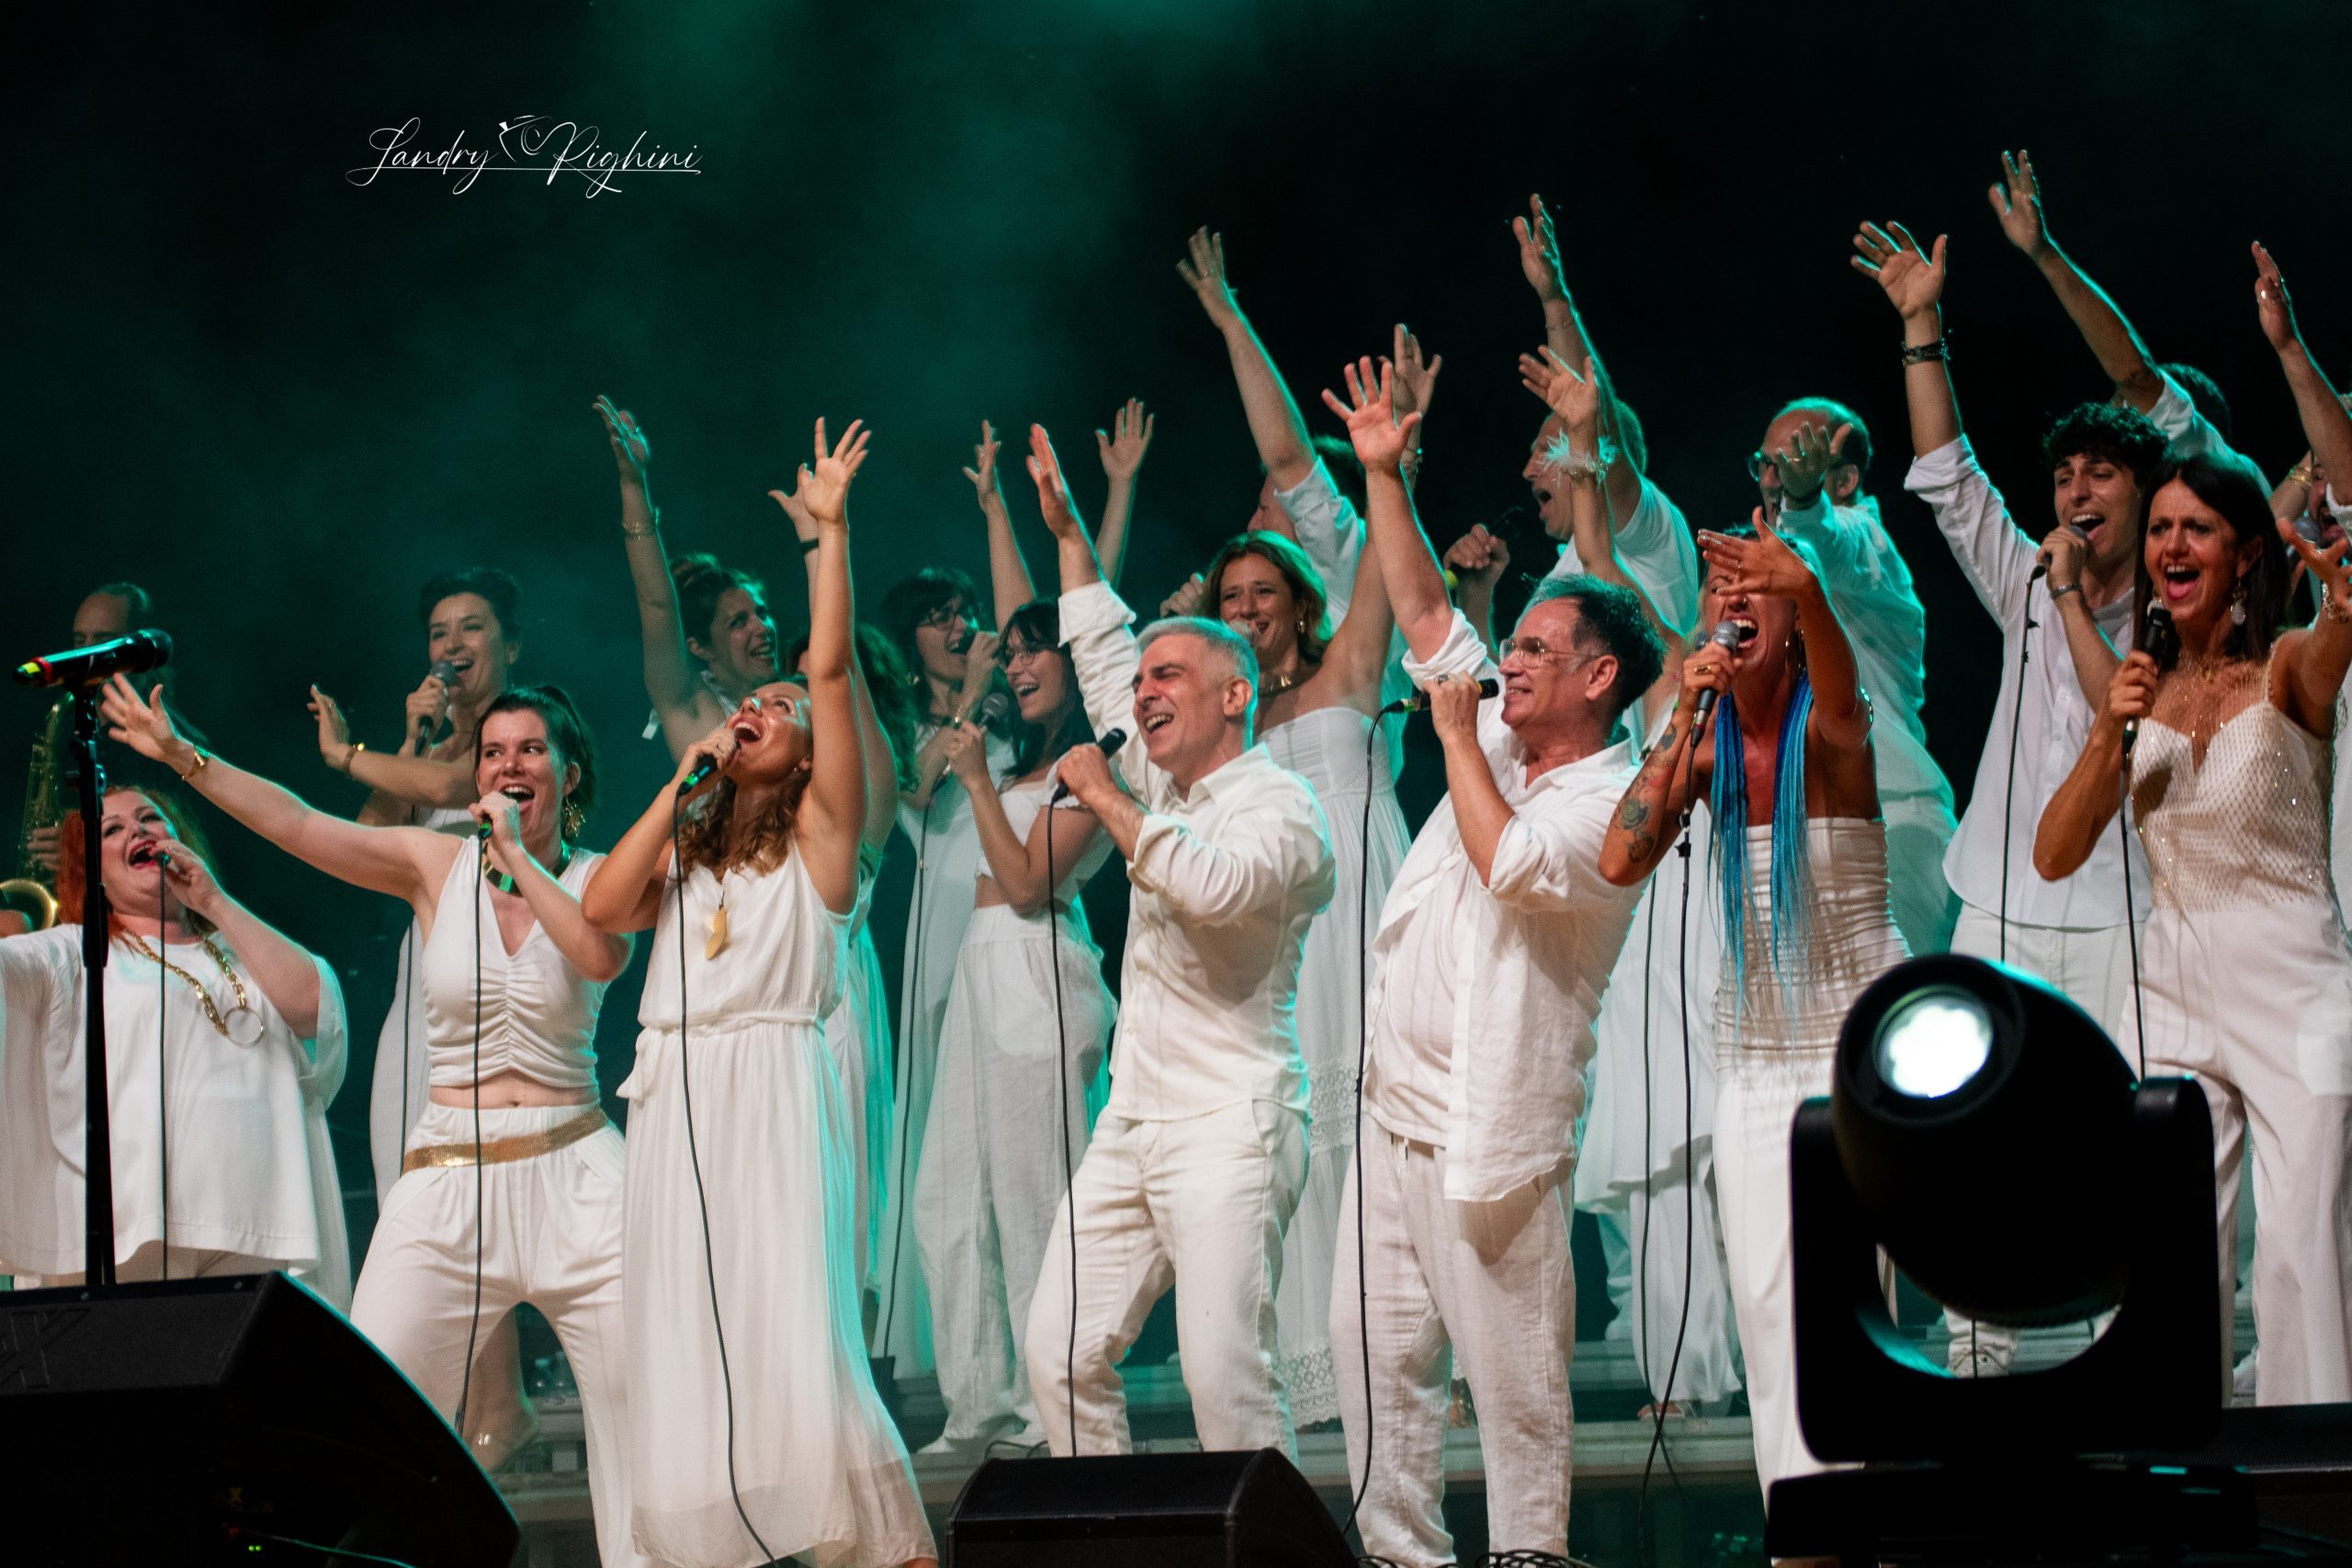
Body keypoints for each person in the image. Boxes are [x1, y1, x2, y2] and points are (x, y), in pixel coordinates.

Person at [99, 679, 648, 1566]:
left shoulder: (604, 878)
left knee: (651, 1417)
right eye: (493, 751)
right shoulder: (435, 866)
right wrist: (182, 757)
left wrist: (518, 854)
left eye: (530, 749)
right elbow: (298, 823)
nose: (508, 765)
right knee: (372, 1420)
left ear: (568, 772)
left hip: (579, 1165)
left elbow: (600, 953)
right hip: (450, 1177)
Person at [1323, 357, 1657, 1563]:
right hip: (1392, 1116)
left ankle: (1530, 1560)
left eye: (1532, 648)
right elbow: (1424, 615)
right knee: (1374, 1364)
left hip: (1491, 1136)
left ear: (1598, 677)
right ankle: (1400, 1558)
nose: (1503, 662)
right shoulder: (1507, 735)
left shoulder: (1612, 796)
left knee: (1514, 1393)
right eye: (1507, 644)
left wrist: (1461, 734)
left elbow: (1513, 864)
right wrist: (1383, 478)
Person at [584, 418, 933, 1568]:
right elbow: (604, 909)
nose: (764, 710)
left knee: (791, 1328)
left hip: (774, 1083)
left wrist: (828, 537)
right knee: (689, 1323)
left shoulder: (828, 842)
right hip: (675, 1091)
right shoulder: (693, 844)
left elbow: (829, 671)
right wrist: (682, 782)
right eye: (757, 704)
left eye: (782, 711)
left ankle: (872, 1545)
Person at [1854, 213, 2171, 1374]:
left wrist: (2072, 592)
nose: (2076, 491)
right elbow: (1949, 477)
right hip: (1997, 905)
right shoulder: (2028, 580)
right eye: (2065, 475)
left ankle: (2123, 1353)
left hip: (2124, 911)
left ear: (2146, 495)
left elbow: (2108, 707)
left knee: (2115, 1137)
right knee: (1970, 1124)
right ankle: (1977, 1347)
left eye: (2102, 475)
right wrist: (1921, 327)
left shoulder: (2174, 609)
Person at [2036, 247, 2352, 1406]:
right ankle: (2183, 1465)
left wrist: (2345, 601)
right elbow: (2054, 854)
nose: (2170, 547)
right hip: (2169, 984)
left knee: (2303, 1249)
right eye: (2161, 528)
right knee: (2170, 1252)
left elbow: (2336, 633)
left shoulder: (2290, 667)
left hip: (2294, 981)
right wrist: (2106, 734)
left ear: (2244, 550)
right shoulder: (2137, 688)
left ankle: (2321, 1468)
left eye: (2197, 530)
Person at [1019, 420, 1336, 1456]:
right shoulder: (1159, 784)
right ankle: (1103, 1531)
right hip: (1134, 1119)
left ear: (1234, 695)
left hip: (1230, 1122)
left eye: (1170, 678)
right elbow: (1102, 649)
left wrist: (1109, 798)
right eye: (1144, 681)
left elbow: (1210, 887)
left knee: (1222, 1375)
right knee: (1057, 1352)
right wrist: (1069, 533)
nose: (1144, 692)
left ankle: (1269, 1541)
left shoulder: (1282, 808)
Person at [1601, 510, 1909, 1499]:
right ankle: (1801, 1533)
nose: (1733, 602)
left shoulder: (1833, 727)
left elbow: (1840, 681)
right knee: (1767, 1310)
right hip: (1753, 1061)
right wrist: (1680, 714)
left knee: (1847, 1309)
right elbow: (1619, 859)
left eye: (1754, 586)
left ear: (1794, 616)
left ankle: (1864, 1524)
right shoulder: (1702, 752)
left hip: (1848, 1054)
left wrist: (1806, 583)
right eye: (1718, 590)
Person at [595, 396, 908, 1322]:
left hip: (811, 987)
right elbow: (656, 609)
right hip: (715, 1010)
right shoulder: (703, 735)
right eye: (737, 618)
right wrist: (634, 490)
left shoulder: (828, 761)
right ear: (706, 647)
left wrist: (823, 537)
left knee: (823, 1243)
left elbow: (833, 672)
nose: (759, 627)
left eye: (763, 613)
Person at [1177, 225, 1410, 1421]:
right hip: (1284, 941)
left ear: (1300, 599)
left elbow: (1289, 457)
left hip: (1371, 909)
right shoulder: (1231, 720)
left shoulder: (1352, 669)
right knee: (1302, 1140)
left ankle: (1411, 1357)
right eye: (1233, 597)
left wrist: (1231, 319)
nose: (1249, 607)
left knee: (1393, 1125)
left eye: (1265, 591)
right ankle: (1324, 1373)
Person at [305, 564, 538, 1462]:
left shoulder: (519, 738)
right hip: (425, 987)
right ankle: (452, 1404)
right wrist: (410, 738)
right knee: (416, 1188)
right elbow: (370, 840)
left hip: (499, 975)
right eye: (439, 632)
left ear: (509, 643)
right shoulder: (430, 748)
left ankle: (501, 1401)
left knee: (479, 1189)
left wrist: (351, 753)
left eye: (470, 627)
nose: (451, 645)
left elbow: (452, 794)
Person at [0, 785, 349, 1301]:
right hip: (129, 1232)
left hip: (259, 1219)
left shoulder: (243, 947)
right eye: (112, 830)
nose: (137, 830)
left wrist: (213, 901)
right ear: (91, 872)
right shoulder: (73, 953)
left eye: (150, 818)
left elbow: (314, 1010)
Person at [917, 597, 1118, 1454]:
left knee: (1039, 1199)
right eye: (1014, 653)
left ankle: (1054, 1404)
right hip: (981, 966)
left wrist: (976, 785)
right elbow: (915, 786)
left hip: (1038, 964)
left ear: (1078, 666)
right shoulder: (1019, 761)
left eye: (1038, 651)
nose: (1019, 666)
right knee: (948, 1200)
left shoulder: (1092, 766)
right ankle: (979, 1406)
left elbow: (1030, 883)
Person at [1747, 398, 1959, 959]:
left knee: (1900, 1004)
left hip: (1894, 824)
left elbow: (1824, 543)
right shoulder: (1768, 575)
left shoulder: (1868, 544)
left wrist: (1802, 501)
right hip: (1806, 827)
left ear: (1843, 480)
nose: (1771, 480)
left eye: (1792, 465)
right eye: (1765, 465)